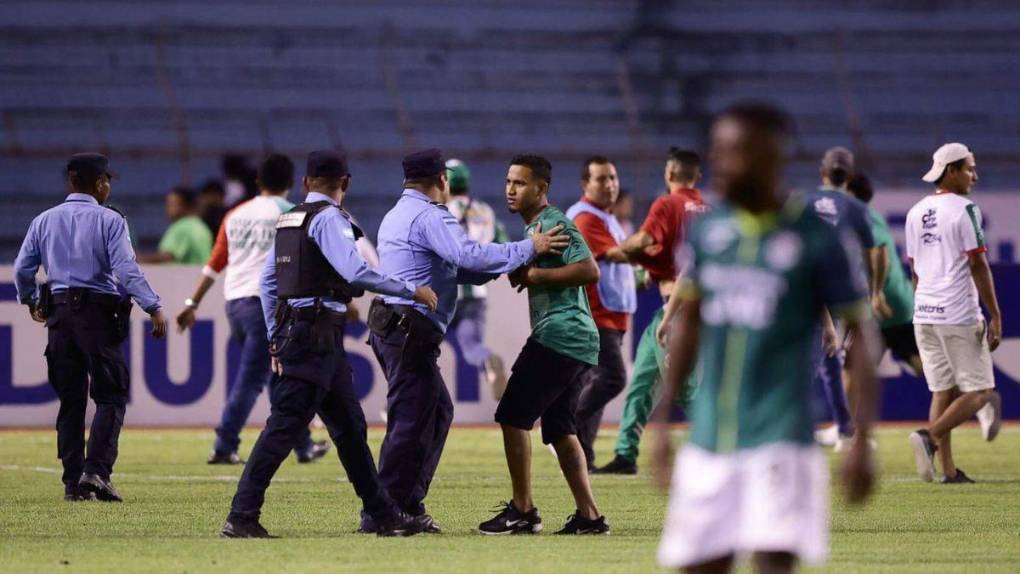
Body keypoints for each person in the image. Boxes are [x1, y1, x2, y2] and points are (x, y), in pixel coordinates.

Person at [651, 103, 880, 574]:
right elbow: (690, 323)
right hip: (709, 438)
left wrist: (860, 439)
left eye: (734, 151)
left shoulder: (815, 235)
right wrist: (662, 418)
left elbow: (864, 332)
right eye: (718, 150)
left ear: (772, 155)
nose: (721, 162)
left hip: (782, 439)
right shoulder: (709, 230)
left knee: (773, 566)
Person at [220, 150, 439, 538]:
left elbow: (268, 283)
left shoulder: (291, 220)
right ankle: (241, 516)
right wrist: (411, 290)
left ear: (305, 183)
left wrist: (275, 334)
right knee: (284, 427)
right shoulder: (331, 221)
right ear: (346, 183)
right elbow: (354, 271)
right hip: (315, 336)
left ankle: (382, 514)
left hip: (304, 335)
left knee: (351, 429)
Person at [365, 148, 568, 534]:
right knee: (411, 421)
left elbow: (450, 267)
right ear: (441, 180)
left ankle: (406, 504)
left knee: (435, 411)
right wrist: (530, 248)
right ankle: (386, 511)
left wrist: (498, 269)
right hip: (410, 329)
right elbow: (468, 254)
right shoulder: (430, 215)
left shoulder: (398, 214)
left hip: (395, 326)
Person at [14, 153, 169, 502]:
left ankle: (73, 483)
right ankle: (97, 472)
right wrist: (153, 305)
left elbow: (23, 269)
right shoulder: (111, 220)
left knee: (70, 401)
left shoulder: (43, 220)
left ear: (71, 182)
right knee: (110, 395)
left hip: (58, 314)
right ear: (100, 183)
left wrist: (30, 299)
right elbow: (126, 270)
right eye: (107, 180)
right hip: (97, 315)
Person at [479, 154, 610, 535]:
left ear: (542, 189)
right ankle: (589, 516)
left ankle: (523, 509)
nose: (510, 189)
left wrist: (534, 275)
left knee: (512, 416)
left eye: (519, 183)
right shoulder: (534, 230)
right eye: (508, 182)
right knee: (559, 427)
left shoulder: (554, 223)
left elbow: (590, 269)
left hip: (561, 335)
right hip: (577, 339)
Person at [176, 154, 329, 465]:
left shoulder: (235, 214)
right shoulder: (291, 214)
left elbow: (215, 263)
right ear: (292, 183)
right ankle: (224, 444)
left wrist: (192, 303)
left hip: (235, 305)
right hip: (265, 306)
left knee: (277, 375)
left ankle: (303, 445)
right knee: (254, 378)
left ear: (257, 182)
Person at [593, 148, 708, 475]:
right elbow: (670, 256)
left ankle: (725, 450)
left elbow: (645, 239)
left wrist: (615, 252)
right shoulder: (711, 210)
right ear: (696, 176)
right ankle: (626, 455)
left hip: (679, 307)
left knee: (684, 386)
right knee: (643, 381)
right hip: (694, 307)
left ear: (669, 174)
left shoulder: (667, 204)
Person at [906, 143, 1003, 484]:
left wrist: (923, 304)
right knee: (979, 392)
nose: (975, 175)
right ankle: (929, 436)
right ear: (951, 170)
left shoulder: (915, 212)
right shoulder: (966, 210)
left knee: (943, 391)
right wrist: (994, 313)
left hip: (925, 313)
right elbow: (978, 263)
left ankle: (947, 472)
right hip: (957, 313)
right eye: (970, 168)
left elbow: (915, 269)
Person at [564, 156, 636, 470]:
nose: (610, 185)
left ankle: (584, 457)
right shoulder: (584, 217)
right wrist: (656, 245)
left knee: (595, 382)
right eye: (601, 179)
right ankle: (562, 425)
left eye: (613, 178)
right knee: (613, 377)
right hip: (596, 312)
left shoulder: (606, 217)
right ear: (585, 185)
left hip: (612, 312)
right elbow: (617, 255)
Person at [804, 147, 877, 452]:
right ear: (849, 176)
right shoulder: (855, 208)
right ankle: (809, 429)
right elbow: (870, 256)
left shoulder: (802, 204)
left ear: (822, 171)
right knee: (824, 362)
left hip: (801, 295)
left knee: (825, 363)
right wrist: (872, 294)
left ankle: (842, 427)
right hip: (837, 296)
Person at [444, 158, 511, 400]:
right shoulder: (486, 211)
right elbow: (503, 246)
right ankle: (486, 360)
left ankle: (402, 407)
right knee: (471, 347)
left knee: (418, 351)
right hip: (476, 294)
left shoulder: (440, 211)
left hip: (444, 293)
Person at [846, 175, 924, 375]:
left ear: (851, 194)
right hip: (900, 304)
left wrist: (876, 293)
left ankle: (971, 397)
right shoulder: (870, 215)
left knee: (852, 370)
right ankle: (967, 396)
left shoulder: (860, 218)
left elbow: (881, 253)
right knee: (919, 364)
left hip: (884, 304)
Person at [138, 186, 213, 264]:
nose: (167, 208)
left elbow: (167, 256)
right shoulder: (202, 226)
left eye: (172, 204)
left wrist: (137, 259)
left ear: (186, 205)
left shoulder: (182, 227)